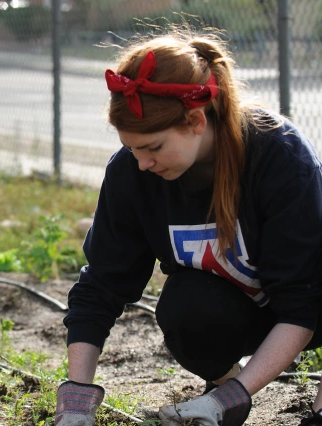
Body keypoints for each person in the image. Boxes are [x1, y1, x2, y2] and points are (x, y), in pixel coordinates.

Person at [54, 28, 322, 426]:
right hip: (252, 312)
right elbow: (101, 286)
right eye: (132, 148)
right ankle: (226, 390)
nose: (142, 162)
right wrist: (76, 397)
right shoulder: (132, 172)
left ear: (196, 119)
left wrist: (230, 400)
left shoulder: (279, 157)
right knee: (184, 307)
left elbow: (304, 302)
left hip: (311, 304)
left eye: (153, 147)